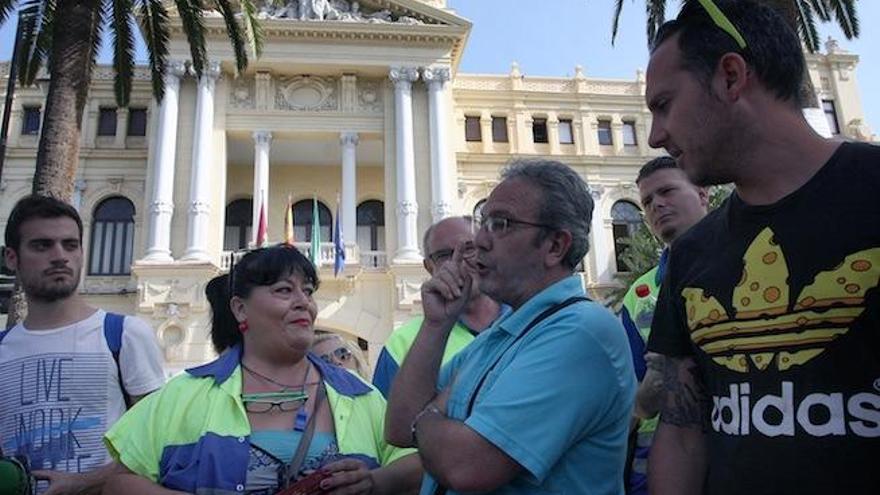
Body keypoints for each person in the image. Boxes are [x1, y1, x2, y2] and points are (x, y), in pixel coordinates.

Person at [644, 1, 880, 494]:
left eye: (664, 104)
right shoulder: (691, 254)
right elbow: (683, 430)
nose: (654, 135)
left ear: (730, 76)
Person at [386, 160, 636, 494]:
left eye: (501, 224)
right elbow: (399, 426)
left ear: (554, 246)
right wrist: (437, 324)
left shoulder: (581, 333)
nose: (479, 241)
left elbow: (466, 465)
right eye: (483, 222)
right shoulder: (502, 334)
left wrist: (427, 416)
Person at [103, 245, 421, 494]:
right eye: (284, 290)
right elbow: (121, 483)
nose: (303, 302)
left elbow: (416, 462)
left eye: (307, 291)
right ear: (240, 308)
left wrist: (377, 483)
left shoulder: (360, 394)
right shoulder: (183, 394)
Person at [0, 195, 165, 494]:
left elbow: (158, 442)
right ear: (12, 258)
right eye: (42, 245)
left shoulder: (124, 335)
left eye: (70, 245)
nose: (60, 255)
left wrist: (82, 483)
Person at [619, 156, 708, 495]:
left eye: (668, 191)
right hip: (656, 471)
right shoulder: (637, 295)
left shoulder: (748, 268)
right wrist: (643, 401)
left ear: (702, 193)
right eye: (646, 201)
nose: (657, 204)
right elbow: (627, 397)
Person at [372, 216, 503, 398]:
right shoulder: (402, 343)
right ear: (428, 267)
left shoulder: (525, 315)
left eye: (469, 249)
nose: (459, 261)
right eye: (444, 255)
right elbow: (387, 421)